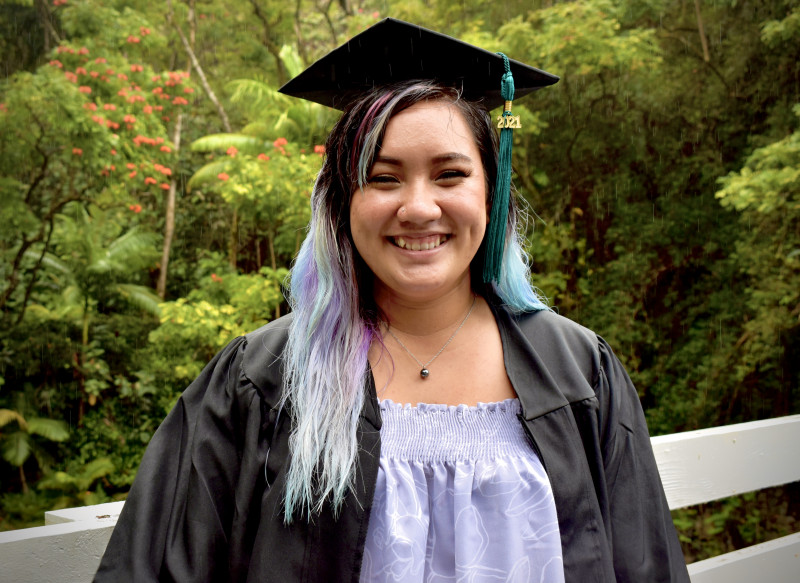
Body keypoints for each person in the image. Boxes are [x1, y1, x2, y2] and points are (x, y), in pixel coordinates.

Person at [95, 18, 690, 583]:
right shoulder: (262, 382)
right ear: (341, 202)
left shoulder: (579, 372)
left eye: (450, 174)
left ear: (493, 190)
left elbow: (646, 565)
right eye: (382, 178)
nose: (419, 207)